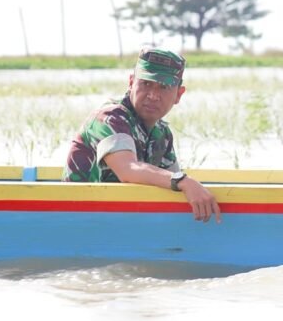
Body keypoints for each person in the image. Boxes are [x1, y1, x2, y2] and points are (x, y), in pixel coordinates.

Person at [63, 47, 222, 221]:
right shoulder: (109, 119)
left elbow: (170, 183)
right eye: (146, 84)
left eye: (164, 87)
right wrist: (184, 181)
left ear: (178, 95)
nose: (153, 95)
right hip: (80, 219)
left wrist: (186, 185)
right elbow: (128, 170)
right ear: (131, 83)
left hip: (118, 221)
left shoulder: (161, 133)